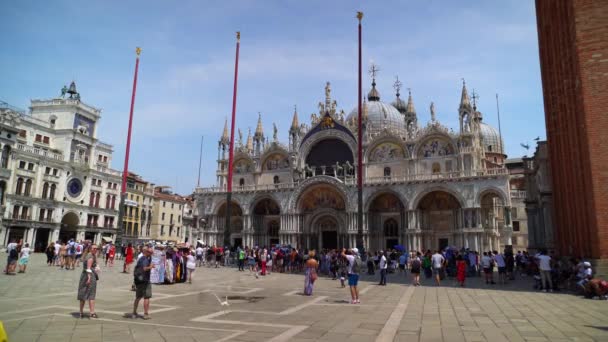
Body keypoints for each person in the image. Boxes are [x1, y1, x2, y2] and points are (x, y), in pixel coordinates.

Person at [131, 247, 155, 320]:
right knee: (146, 297)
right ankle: (145, 314)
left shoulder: (142, 258)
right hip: (145, 281)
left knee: (138, 297)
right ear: (146, 252)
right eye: (150, 252)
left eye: (152, 252)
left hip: (139, 280)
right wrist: (150, 267)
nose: (152, 254)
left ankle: (134, 313)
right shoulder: (144, 259)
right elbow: (144, 268)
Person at [77, 244, 99, 319]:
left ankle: (81, 312)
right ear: (90, 249)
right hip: (89, 276)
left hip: (84, 276)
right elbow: (89, 268)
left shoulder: (90, 255)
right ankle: (92, 312)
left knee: (83, 294)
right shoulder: (90, 256)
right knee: (91, 294)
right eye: (94, 248)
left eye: (96, 248)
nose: (95, 250)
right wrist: (89, 278)